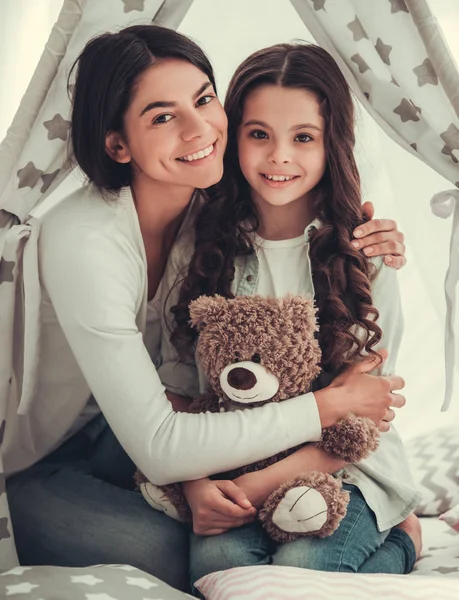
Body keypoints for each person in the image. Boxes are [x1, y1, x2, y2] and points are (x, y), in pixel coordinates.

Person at [5, 26, 407, 591]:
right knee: (198, 562)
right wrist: (323, 408)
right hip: (81, 452)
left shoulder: (216, 208)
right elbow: (176, 408)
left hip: (191, 446)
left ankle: (401, 534)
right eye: (162, 116)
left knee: (264, 559)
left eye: (202, 99)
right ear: (117, 144)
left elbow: (366, 403)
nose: (199, 130)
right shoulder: (101, 240)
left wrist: (376, 242)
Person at [155, 42, 421, 586]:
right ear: (233, 139)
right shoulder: (199, 245)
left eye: (303, 137)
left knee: (305, 566)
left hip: (342, 467)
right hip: (230, 464)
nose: (279, 156)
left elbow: (362, 414)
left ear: (332, 145)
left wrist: (254, 489)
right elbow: (176, 389)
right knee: (220, 566)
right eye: (259, 134)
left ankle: (403, 540)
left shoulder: (365, 251)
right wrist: (196, 484)